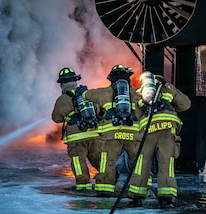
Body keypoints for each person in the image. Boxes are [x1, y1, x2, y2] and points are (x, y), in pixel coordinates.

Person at [75, 64, 142, 196]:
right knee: (137, 160)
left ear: (111, 79)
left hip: (111, 135)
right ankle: (140, 189)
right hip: (132, 134)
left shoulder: (104, 93)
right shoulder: (136, 93)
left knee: (107, 161)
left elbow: (88, 95)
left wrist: (81, 92)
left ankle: (105, 190)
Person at [127, 71, 191, 208]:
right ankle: (166, 198)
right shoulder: (168, 89)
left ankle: (137, 196)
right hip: (167, 128)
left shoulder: (138, 93)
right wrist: (168, 86)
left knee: (141, 163)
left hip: (147, 129)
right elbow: (186, 104)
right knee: (166, 162)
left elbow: (135, 114)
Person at [52, 67, 106, 194]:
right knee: (98, 159)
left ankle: (83, 187)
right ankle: (109, 179)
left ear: (62, 84)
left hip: (76, 137)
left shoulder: (62, 99)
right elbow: (97, 110)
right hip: (94, 133)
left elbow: (56, 118)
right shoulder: (86, 94)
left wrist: (68, 116)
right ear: (75, 81)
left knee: (78, 161)